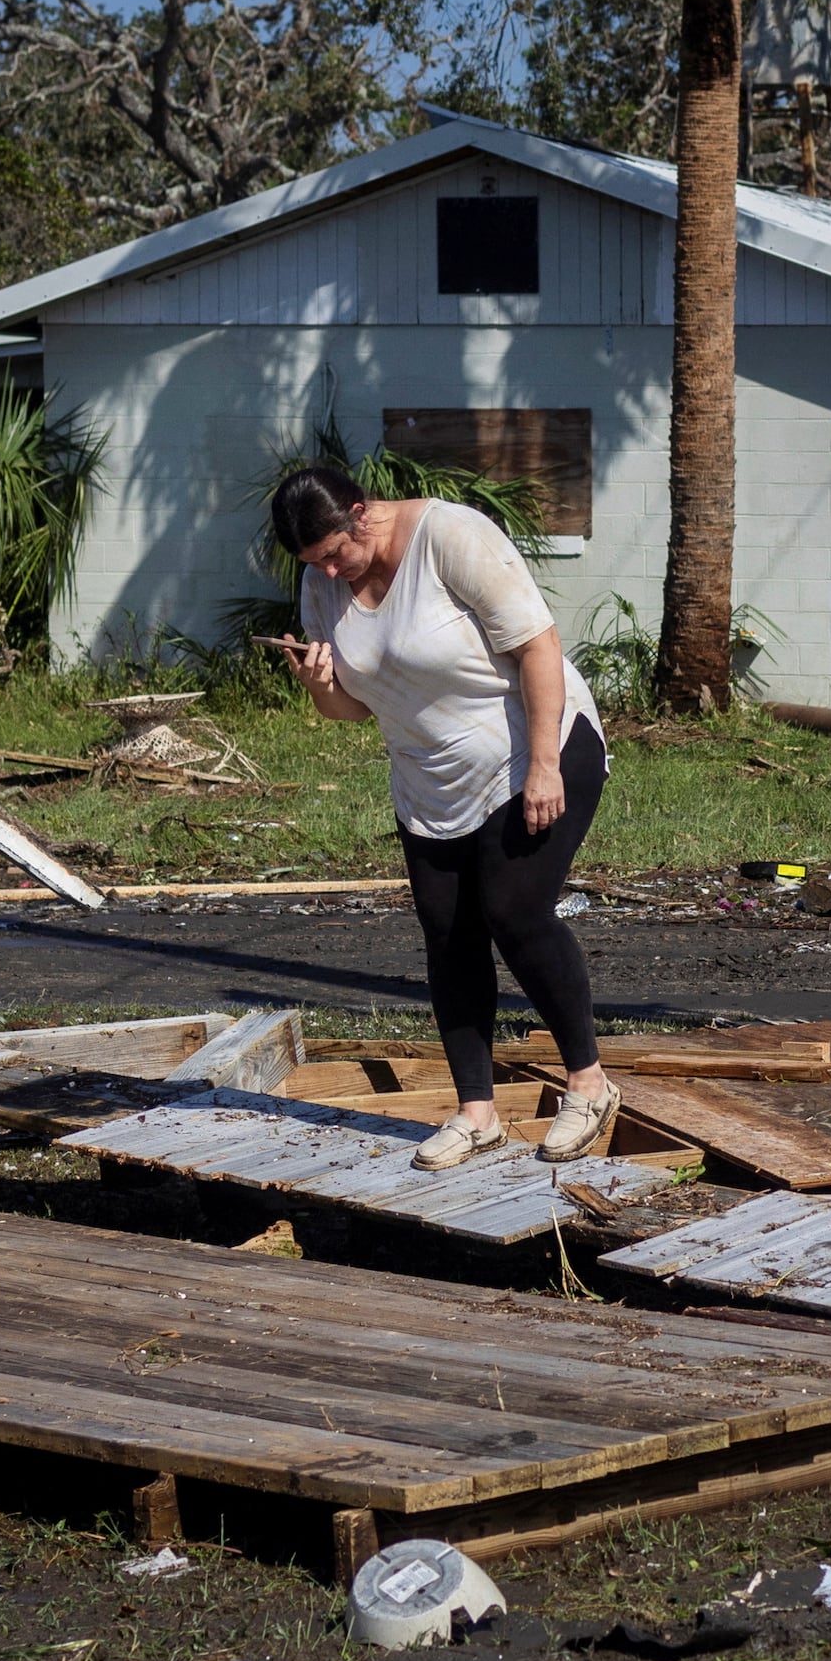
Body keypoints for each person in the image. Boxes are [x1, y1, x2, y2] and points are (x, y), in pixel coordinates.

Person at [268, 462, 616, 1171]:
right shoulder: (322, 584)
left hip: (532, 749)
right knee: (449, 934)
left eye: (335, 552)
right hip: (432, 783)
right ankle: (476, 1113)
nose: (328, 572)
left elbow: (537, 646)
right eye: (314, 563)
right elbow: (354, 706)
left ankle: (589, 1085)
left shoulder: (450, 537)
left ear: (361, 513)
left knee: (514, 912)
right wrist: (318, 687)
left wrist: (545, 763)